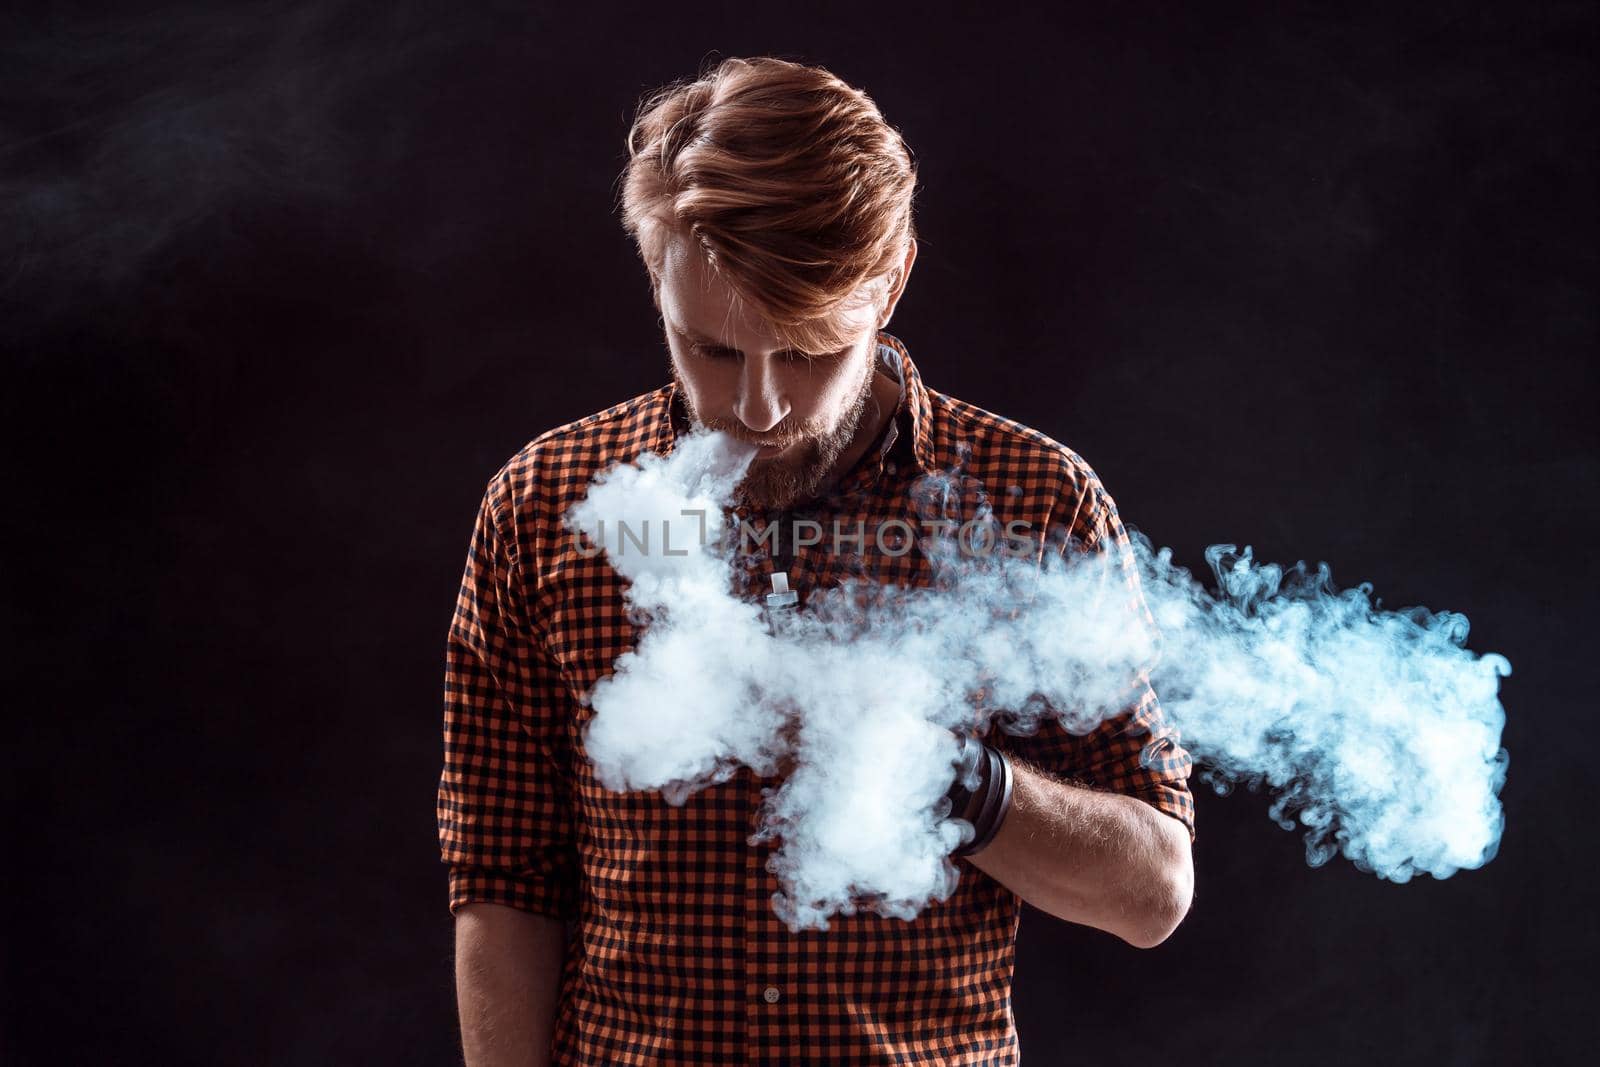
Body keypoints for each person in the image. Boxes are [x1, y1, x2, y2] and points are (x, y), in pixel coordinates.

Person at [438, 55, 1195, 1067]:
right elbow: (505, 881)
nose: (756, 408)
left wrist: (942, 773)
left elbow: (1152, 892)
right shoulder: (545, 504)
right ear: (655, 274)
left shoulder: (1032, 500)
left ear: (890, 283)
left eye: (803, 351)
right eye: (709, 348)